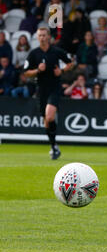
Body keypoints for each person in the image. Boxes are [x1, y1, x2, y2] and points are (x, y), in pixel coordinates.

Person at [24, 27, 73, 160]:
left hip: (54, 88)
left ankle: (54, 145)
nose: (42, 38)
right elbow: (26, 72)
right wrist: (37, 71)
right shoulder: (34, 53)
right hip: (41, 89)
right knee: (46, 121)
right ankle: (54, 146)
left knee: (50, 116)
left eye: (44, 35)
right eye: (40, 35)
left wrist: (61, 71)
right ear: (37, 37)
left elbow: (71, 62)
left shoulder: (56, 51)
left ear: (49, 37)